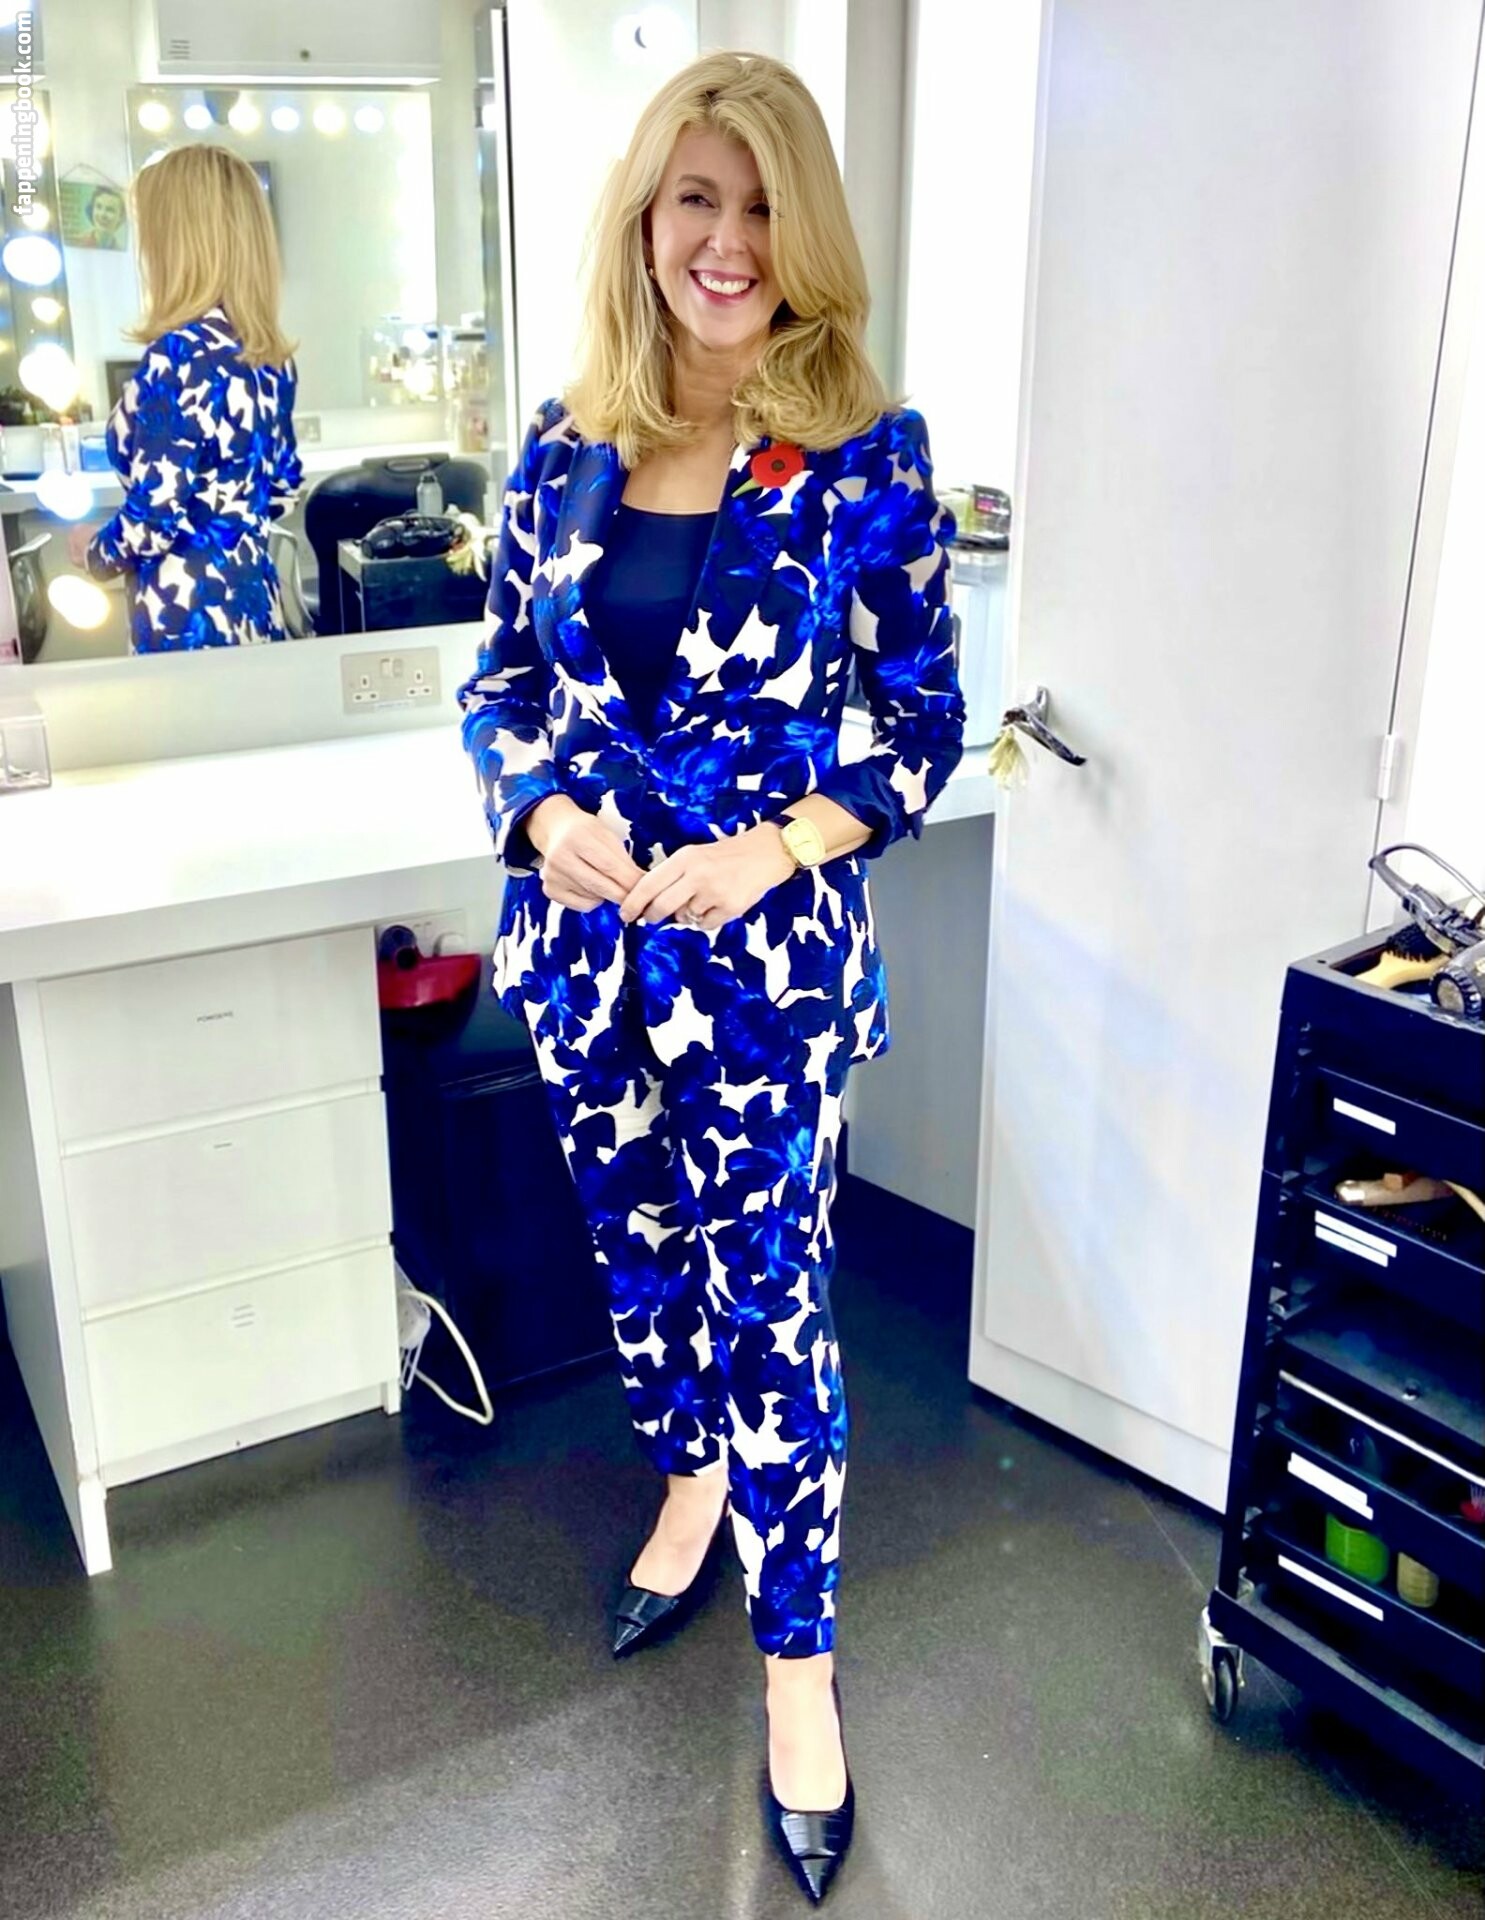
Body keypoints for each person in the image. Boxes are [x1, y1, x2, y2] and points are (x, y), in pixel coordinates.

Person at [459, 50, 964, 1905]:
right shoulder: (562, 441)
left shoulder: (865, 453)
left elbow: (922, 723)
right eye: (697, 199)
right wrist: (532, 812)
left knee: (776, 1305)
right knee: (641, 1267)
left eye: (761, 205)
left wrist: (777, 847)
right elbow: (500, 683)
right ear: (647, 217)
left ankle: (799, 1665)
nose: (727, 240)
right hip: (587, 965)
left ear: (800, 228)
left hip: (766, 982)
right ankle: (686, 1484)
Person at [82, 145, 301, 651]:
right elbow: (283, 489)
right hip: (253, 603)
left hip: (182, 615)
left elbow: (152, 524)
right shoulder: (272, 357)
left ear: (175, 243)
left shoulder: (178, 356)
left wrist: (92, 551)